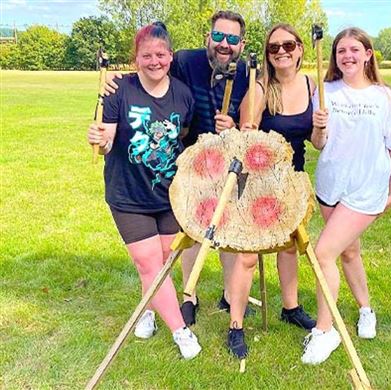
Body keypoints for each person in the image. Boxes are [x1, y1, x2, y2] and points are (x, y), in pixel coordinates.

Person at [106, 11, 253, 326]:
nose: (224, 44)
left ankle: (230, 296)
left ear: (242, 43)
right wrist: (115, 81)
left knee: (227, 231)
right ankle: (189, 296)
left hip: (228, 164)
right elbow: (154, 80)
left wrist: (235, 126)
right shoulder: (186, 61)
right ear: (208, 37)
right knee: (190, 232)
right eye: (218, 36)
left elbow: (253, 119)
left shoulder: (246, 75)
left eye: (232, 39)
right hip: (188, 162)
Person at [87, 22, 201, 359]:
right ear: (136, 58)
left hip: (168, 194)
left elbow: (182, 137)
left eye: (161, 54)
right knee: (148, 263)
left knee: (162, 263)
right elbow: (107, 140)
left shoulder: (183, 93)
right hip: (127, 195)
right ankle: (181, 332)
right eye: (146, 55)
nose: (154, 61)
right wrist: (100, 140)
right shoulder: (119, 89)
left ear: (170, 56)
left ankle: (148, 310)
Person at [300, 27, 391, 365]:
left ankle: (324, 330)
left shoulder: (384, 95)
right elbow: (318, 145)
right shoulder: (325, 90)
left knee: (322, 254)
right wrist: (318, 127)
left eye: (354, 50)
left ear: (367, 54)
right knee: (348, 252)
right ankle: (366, 309)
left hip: (366, 188)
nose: (347, 55)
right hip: (331, 186)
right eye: (341, 50)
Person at [226, 23, 318, 358]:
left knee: (289, 248)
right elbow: (243, 132)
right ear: (267, 54)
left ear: (300, 49)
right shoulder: (261, 86)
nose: (281, 51)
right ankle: (235, 325)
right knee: (249, 255)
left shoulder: (312, 85)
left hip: (292, 180)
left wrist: (320, 128)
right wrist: (247, 127)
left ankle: (290, 308)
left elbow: (317, 141)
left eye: (288, 45)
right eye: (274, 47)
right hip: (259, 181)